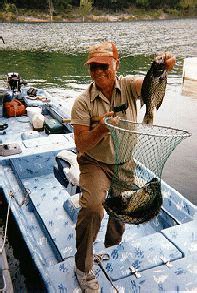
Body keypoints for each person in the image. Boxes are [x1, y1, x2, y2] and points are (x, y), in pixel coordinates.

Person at [71, 41, 176, 292]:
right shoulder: (82, 103)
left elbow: (149, 85)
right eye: (93, 66)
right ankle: (83, 268)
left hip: (124, 161)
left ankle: (112, 246)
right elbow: (81, 144)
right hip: (94, 162)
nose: (98, 71)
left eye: (104, 65)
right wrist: (101, 129)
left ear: (117, 64)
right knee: (94, 208)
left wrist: (162, 69)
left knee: (124, 207)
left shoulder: (130, 86)